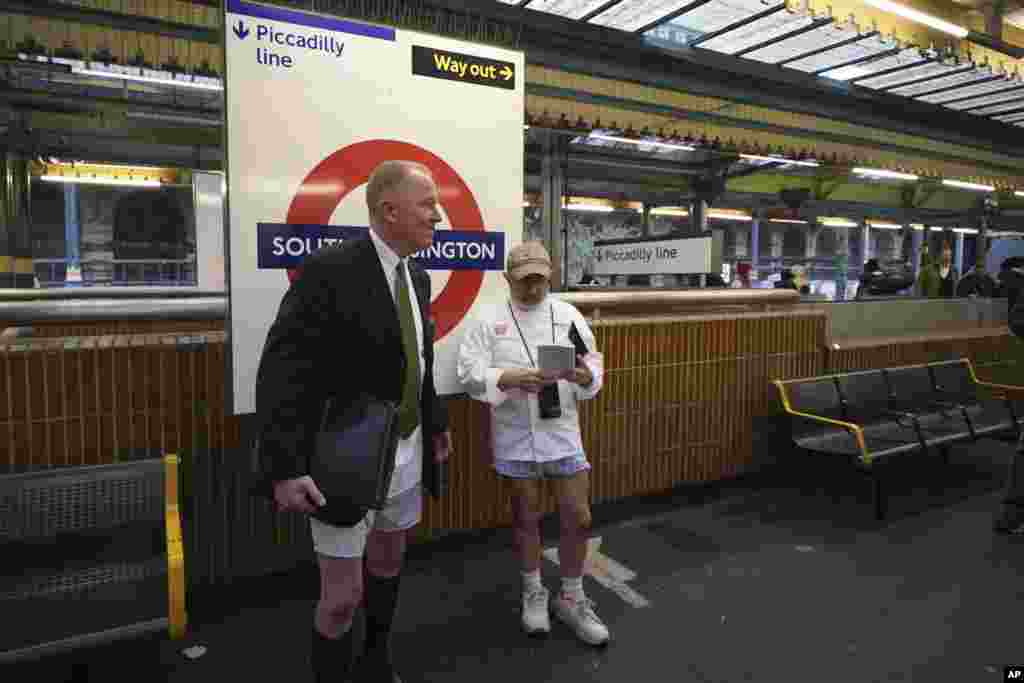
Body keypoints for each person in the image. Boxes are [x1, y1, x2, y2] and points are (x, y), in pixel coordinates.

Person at [255, 160, 452, 683]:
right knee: (342, 599)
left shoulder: (418, 277)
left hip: (406, 453)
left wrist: (434, 423)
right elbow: (282, 367)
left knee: (388, 565)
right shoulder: (332, 270)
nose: (439, 215)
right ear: (389, 210)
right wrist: (283, 465)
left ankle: (375, 663)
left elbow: (418, 360)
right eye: (427, 204)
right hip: (345, 461)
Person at [456, 241, 609, 646]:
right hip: (516, 436)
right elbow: (468, 373)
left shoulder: (568, 315)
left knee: (579, 516)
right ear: (508, 279)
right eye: (524, 281)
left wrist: (584, 378)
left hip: (562, 434)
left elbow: (593, 364)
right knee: (526, 517)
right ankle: (533, 591)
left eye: (540, 280)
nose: (533, 289)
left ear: (551, 275)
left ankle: (573, 596)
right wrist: (507, 379)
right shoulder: (488, 320)